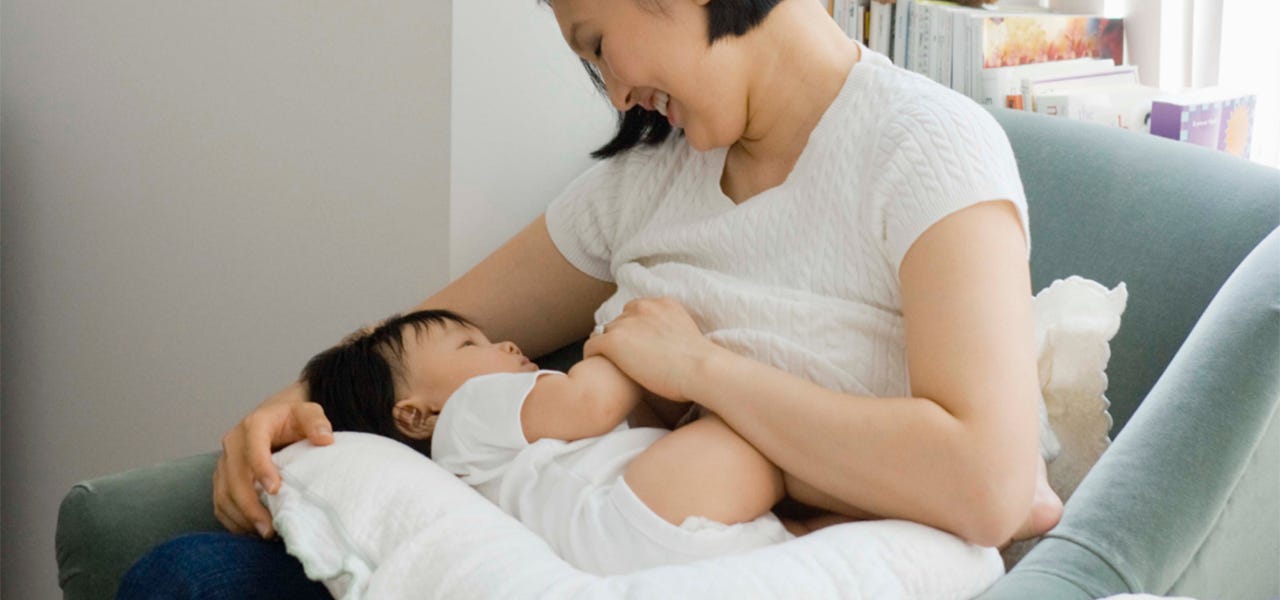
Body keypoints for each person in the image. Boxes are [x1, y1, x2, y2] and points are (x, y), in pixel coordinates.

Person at [119, 0, 1063, 596]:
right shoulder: (644, 180)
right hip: (563, 545)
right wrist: (292, 402)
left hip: (753, 566)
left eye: (597, 45)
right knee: (186, 577)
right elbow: (430, 334)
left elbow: (983, 485)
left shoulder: (926, 148)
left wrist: (700, 370)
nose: (615, 90)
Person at [301, 308, 793, 575]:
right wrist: (618, 341)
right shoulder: (466, 412)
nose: (509, 345)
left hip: (632, 550)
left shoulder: (478, 463)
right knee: (739, 436)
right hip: (632, 516)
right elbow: (591, 403)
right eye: (471, 345)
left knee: (784, 527)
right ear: (414, 416)